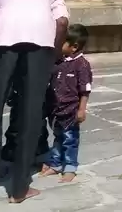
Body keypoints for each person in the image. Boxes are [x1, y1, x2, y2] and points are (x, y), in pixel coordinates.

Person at [0, 0, 69, 212]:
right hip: (40, 48)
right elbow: (62, 22)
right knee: (30, 118)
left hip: (0, 47)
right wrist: (52, 59)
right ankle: (20, 191)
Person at [40, 24, 92, 183]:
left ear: (74, 46)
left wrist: (81, 109)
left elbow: (85, 90)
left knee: (70, 140)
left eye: (61, 42)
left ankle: (70, 167)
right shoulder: (59, 62)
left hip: (71, 111)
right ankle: (55, 164)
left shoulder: (81, 65)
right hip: (56, 111)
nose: (57, 45)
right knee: (57, 138)